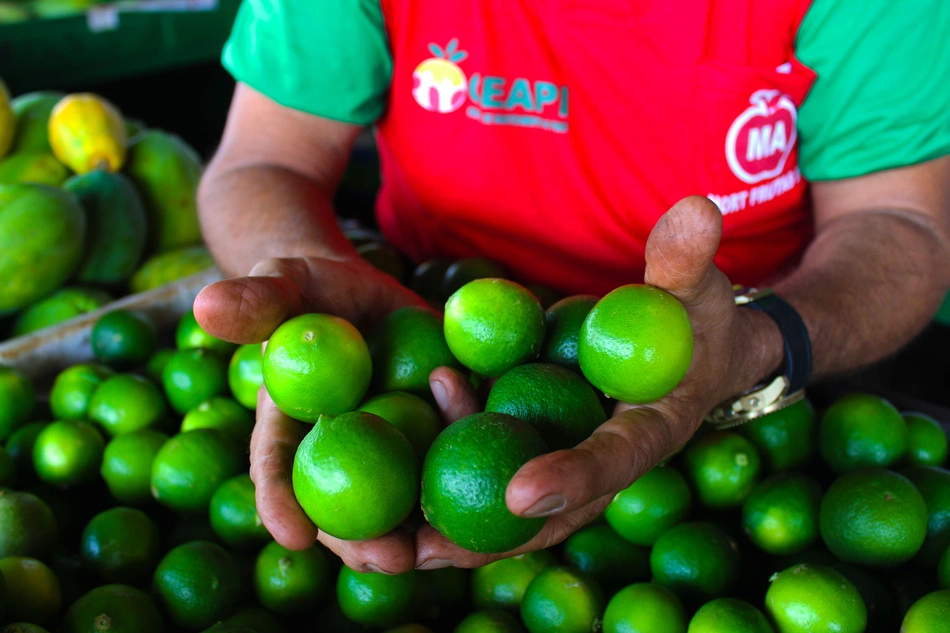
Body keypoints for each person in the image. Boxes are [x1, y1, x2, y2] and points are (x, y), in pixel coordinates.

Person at [193, 0, 950, 575]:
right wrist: (306, 267)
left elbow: (899, 223)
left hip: (743, 387)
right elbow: (264, 160)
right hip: (420, 324)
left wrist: (760, 340)